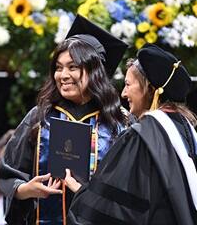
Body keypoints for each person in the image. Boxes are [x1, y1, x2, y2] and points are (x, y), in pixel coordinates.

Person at [0, 14, 128, 225]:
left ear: (96, 72)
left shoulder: (117, 124)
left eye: (72, 67)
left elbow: (128, 194)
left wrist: (88, 195)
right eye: (58, 67)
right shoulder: (40, 118)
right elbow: (8, 174)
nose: (62, 75)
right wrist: (25, 190)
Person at [66, 43, 197, 224]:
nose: (123, 93)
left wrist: (82, 194)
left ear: (150, 89)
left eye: (128, 85)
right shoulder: (184, 128)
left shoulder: (142, 137)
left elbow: (115, 209)